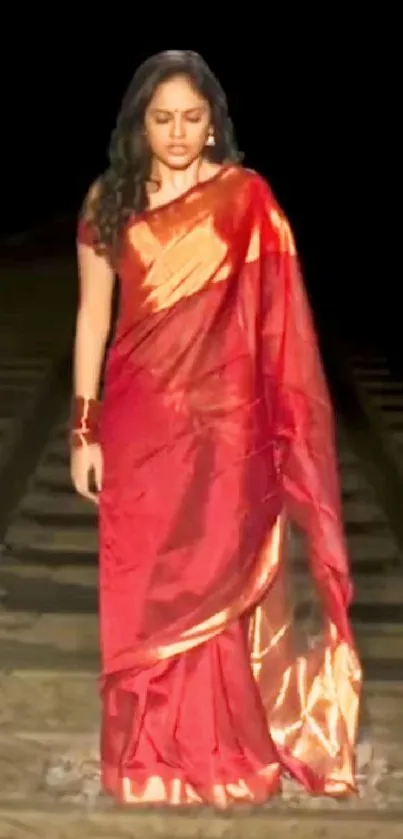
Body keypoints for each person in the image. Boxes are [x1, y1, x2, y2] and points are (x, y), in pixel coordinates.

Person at [71, 49, 362, 808]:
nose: (175, 131)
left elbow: (276, 319)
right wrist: (83, 428)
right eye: (160, 118)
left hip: (224, 426)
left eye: (191, 119)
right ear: (138, 123)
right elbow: (93, 315)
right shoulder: (110, 201)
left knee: (217, 577)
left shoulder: (246, 201)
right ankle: (146, 754)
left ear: (213, 126)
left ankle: (222, 751)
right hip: (139, 425)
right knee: (141, 587)